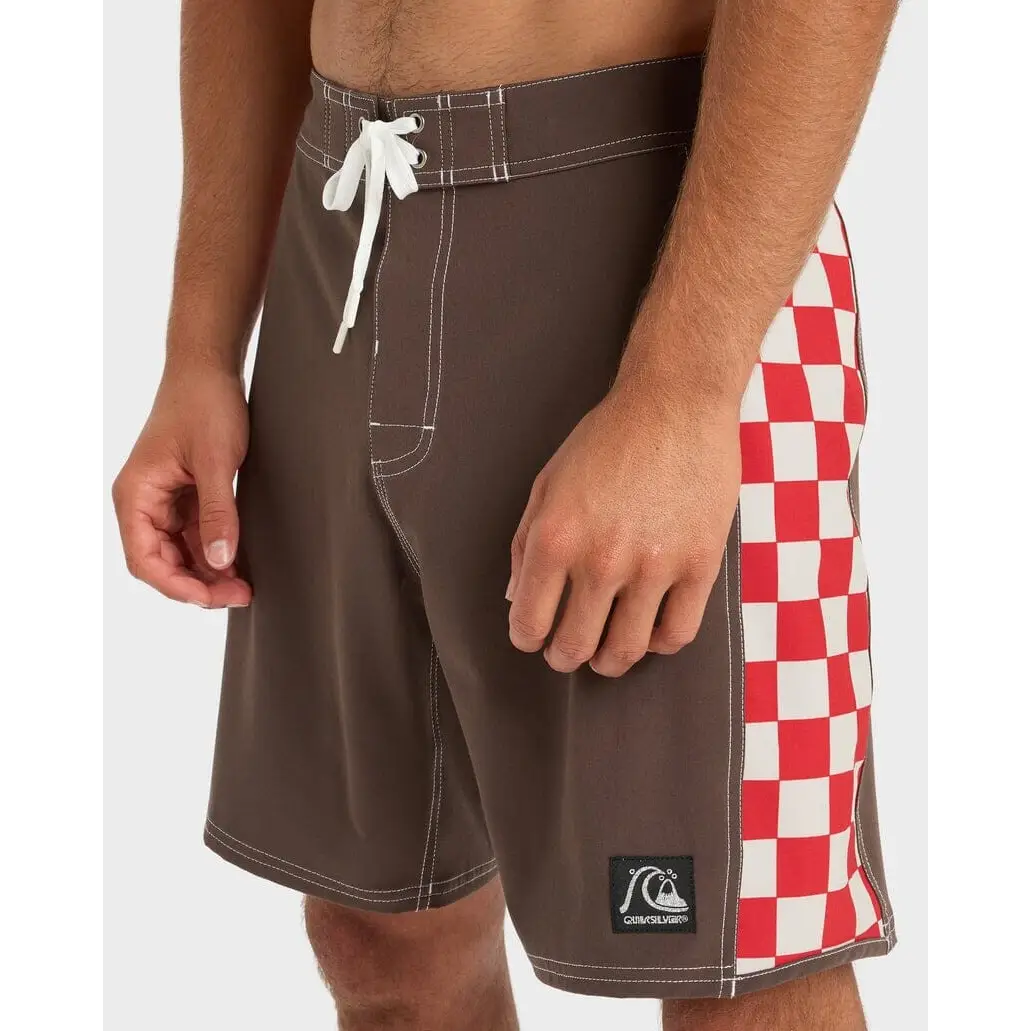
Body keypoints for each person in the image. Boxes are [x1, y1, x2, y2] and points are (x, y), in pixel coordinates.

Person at [112, 0, 902, 1027]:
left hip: (664, 241)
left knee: (733, 963)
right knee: (383, 932)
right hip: (343, 226)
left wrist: (680, 390)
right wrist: (201, 345)